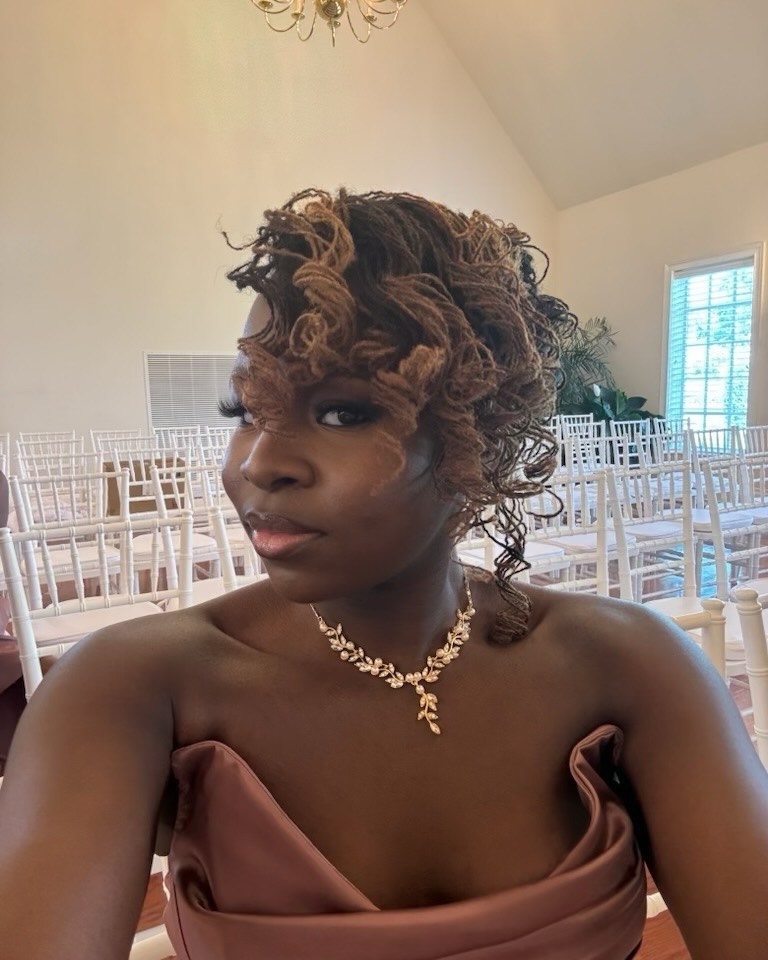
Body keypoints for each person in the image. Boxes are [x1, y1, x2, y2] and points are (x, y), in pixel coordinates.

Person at [1, 189, 767, 960]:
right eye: (245, 408)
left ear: (477, 437)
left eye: (341, 413)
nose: (260, 463)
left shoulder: (632, 665)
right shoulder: (128, 688)